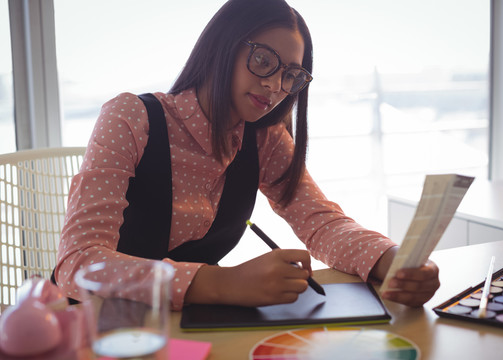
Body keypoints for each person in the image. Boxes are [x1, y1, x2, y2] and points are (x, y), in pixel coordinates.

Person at [54, 0, 439, 311]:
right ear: (223, 45)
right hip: (99, 323)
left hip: (188, 322)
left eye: (291, 75)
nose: (274, 85)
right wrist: (221, 282)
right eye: (263, 60)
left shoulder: (264, 137)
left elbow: (320, 222)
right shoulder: (131, 117)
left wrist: (390, 259)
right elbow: (79, 261)